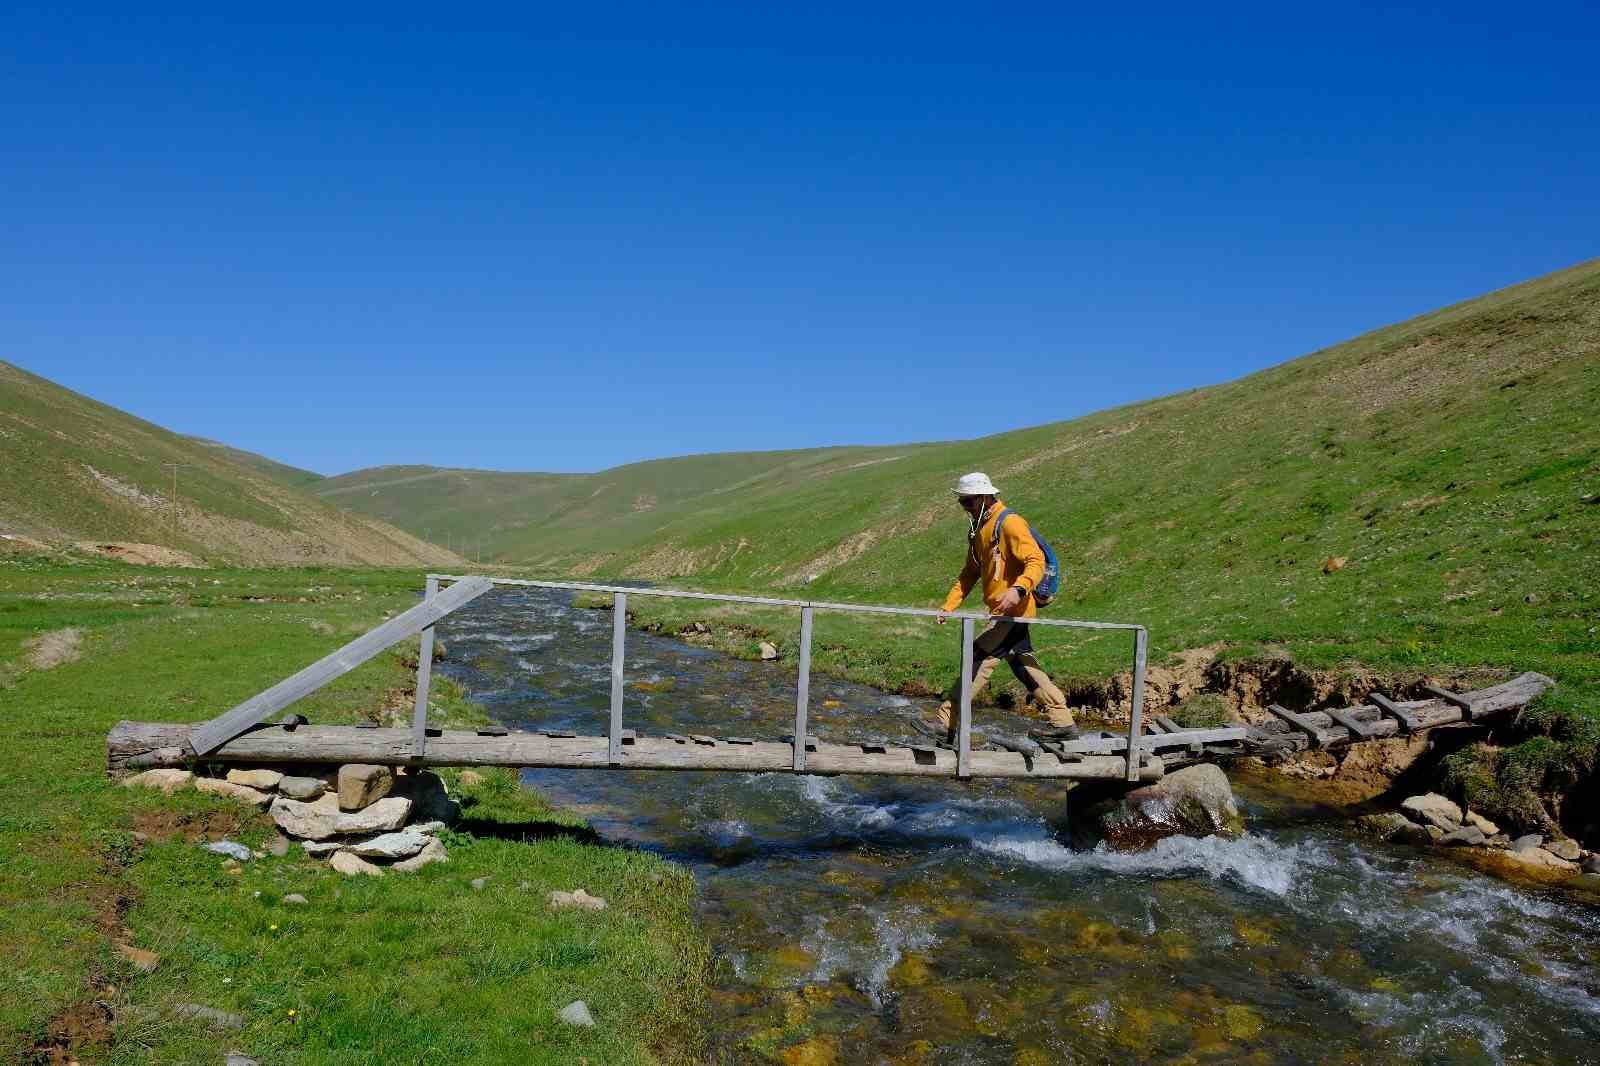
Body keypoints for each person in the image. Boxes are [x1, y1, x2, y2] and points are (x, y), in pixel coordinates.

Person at [935, 472, 1073, 738]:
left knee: (978, 656)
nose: (966, 507)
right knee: (1023, 666)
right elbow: (970, 573)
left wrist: (1018, 589)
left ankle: (945, 722)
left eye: (969, 501)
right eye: (962, 502)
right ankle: (1063, 723)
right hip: (1002, 613)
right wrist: (948, 606)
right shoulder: (977, 529)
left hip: (1014, 611)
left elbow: (1035, 560)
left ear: (986, 497)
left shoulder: (1010, 523)